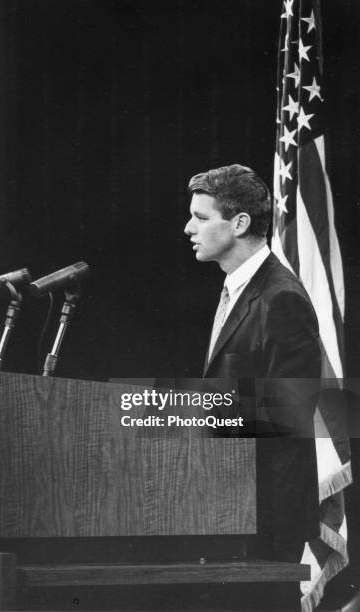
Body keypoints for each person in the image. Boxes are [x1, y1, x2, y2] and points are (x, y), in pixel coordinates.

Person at [184, 163, 321, 562]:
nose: (188, 229)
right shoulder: (236, 287)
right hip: (232, 506)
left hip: (266, 515)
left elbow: (290, 412)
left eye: (200, 217)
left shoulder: (281, 298)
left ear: (240, 223)